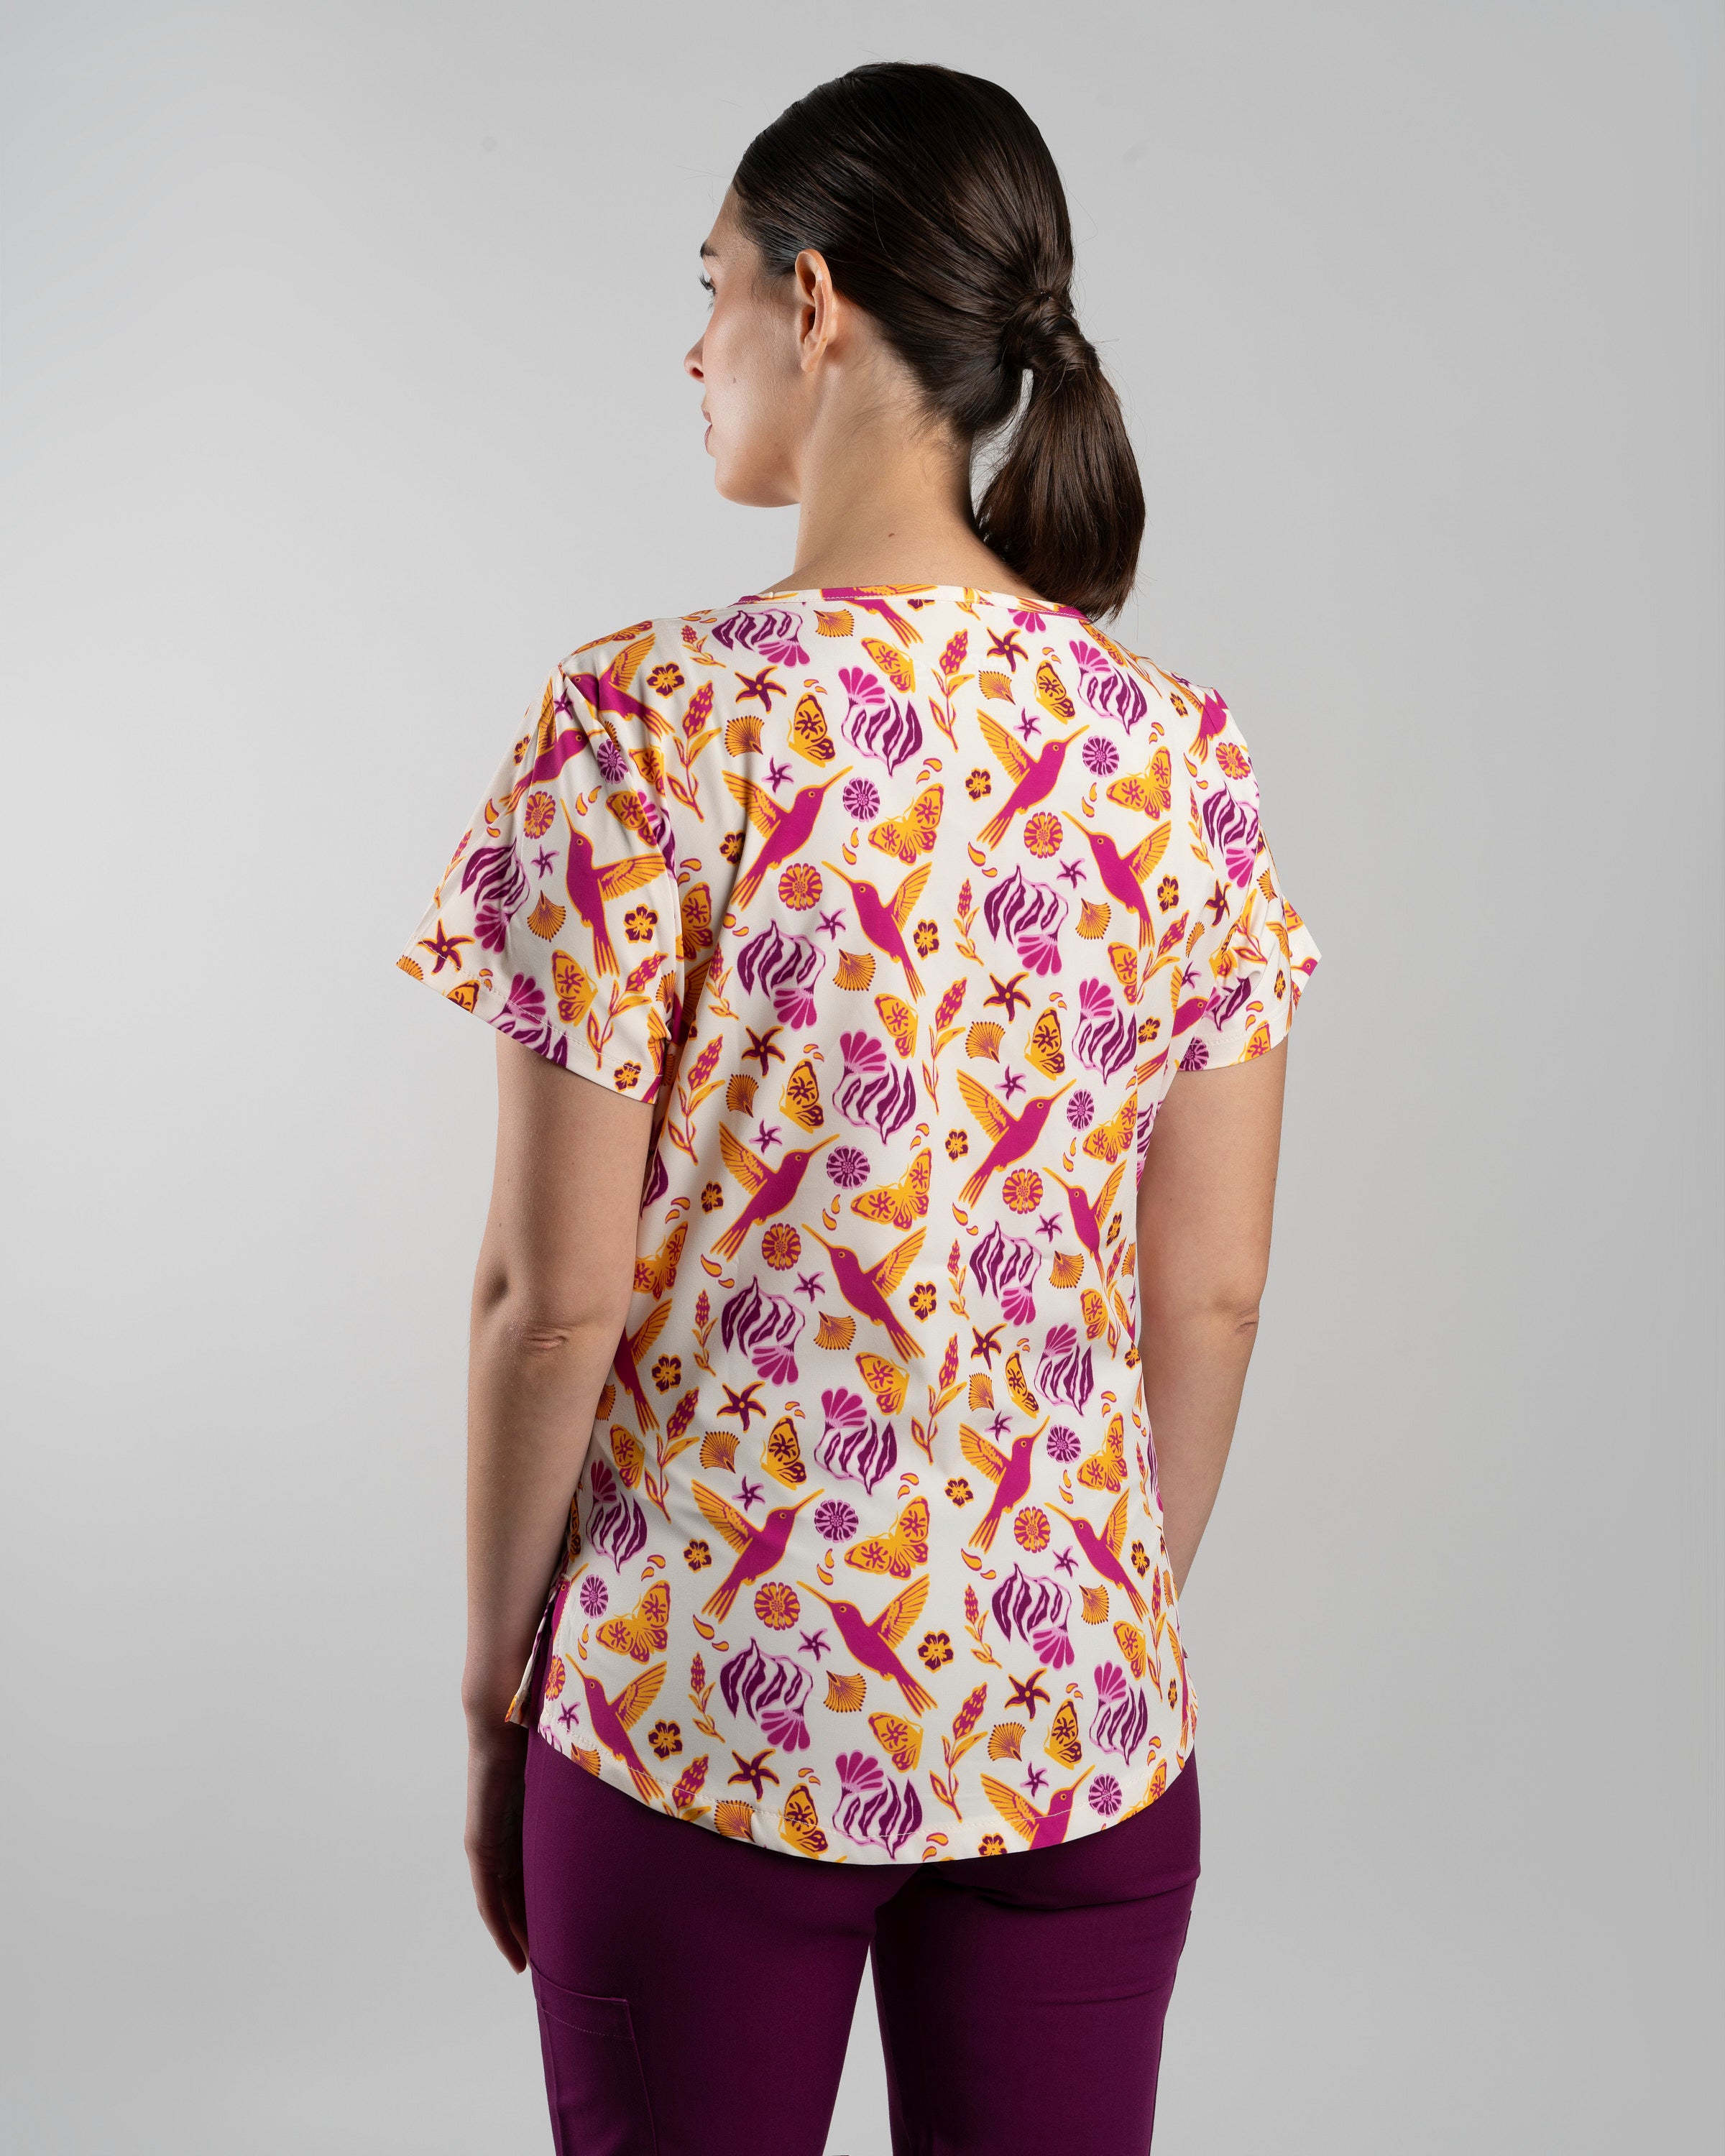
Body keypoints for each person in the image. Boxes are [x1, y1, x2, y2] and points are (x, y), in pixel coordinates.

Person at [397, 59, 1320, 2156]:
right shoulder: (1177, 753)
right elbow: (1216, 1291)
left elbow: (549, 1301)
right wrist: (1086, 1620)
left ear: (810, 303)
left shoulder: (644, 724)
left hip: (697, 1705)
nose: (692, 347)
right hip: (1075, 1718)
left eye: (708, 286)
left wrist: (492, 1693)